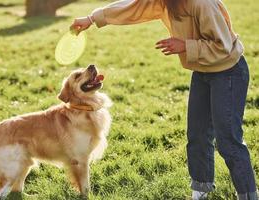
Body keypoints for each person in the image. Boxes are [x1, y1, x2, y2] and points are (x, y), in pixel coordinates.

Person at [70, 0, 258, 199]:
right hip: (203, 72)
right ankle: (200, 190)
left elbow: (223, 47)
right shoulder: (167, 2)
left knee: (227, 140)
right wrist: (91, 19)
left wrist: (185, 45)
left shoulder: (202, 4)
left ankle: (248, 194)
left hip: (228, 72)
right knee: (197, 136)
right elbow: (132, 8)